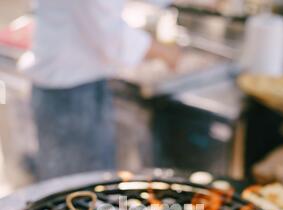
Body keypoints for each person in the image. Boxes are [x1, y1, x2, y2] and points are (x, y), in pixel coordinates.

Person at [19, 0, 180, 181]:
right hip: (70, 94)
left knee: (84, 186)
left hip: (74, 85)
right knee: (79, 191)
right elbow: (109, 35)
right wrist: (164, 52)